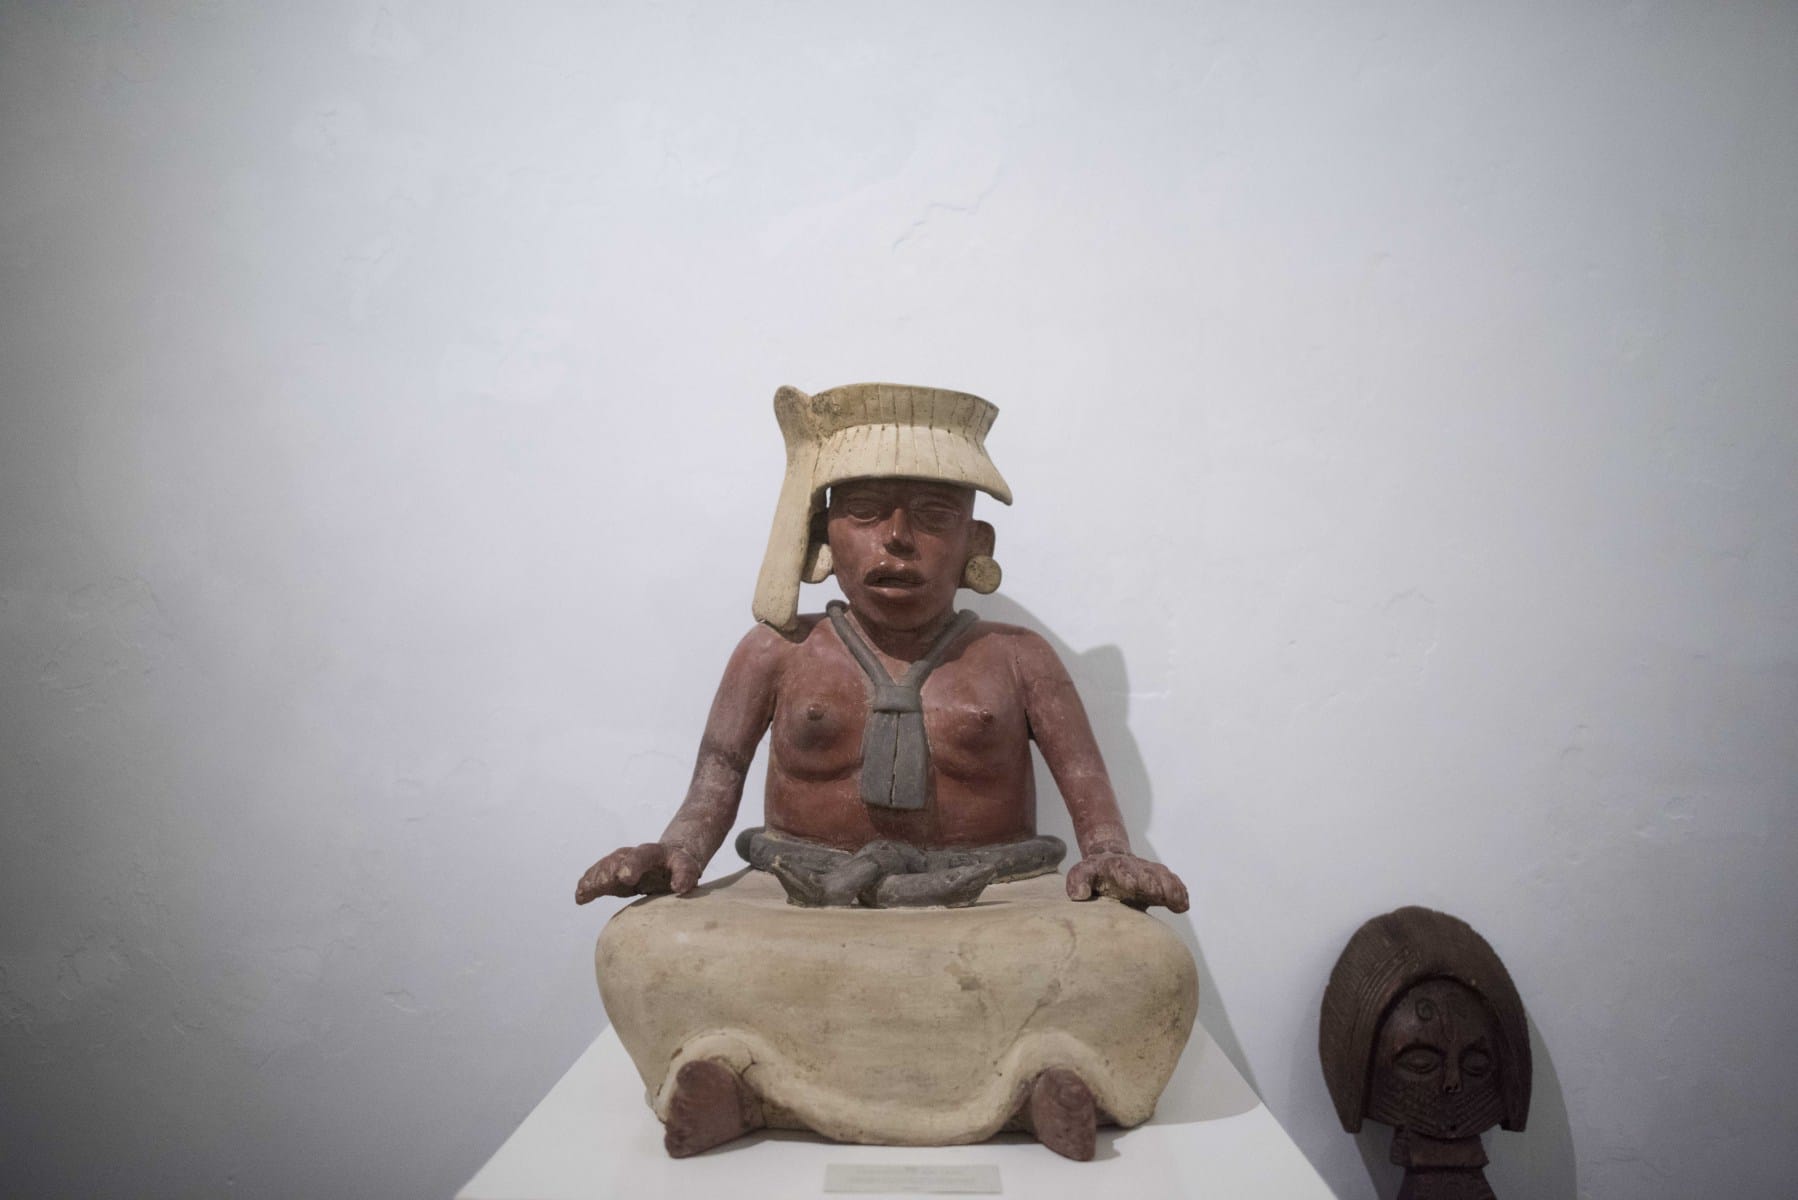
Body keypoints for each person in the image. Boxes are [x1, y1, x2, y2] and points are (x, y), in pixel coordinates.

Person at [576, 384, 1194, 1160]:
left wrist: (1108, 856)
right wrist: (676, 852)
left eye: (933, 517)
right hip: (801, 894)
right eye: (866, 513)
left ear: (977, 543)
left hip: (992, 898)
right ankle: (735, 1074)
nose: (898, 539)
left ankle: (1047, 1073)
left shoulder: (1017, 659)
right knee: (642, 945)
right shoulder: (775, 652)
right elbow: (716, 776)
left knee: (1145, 962)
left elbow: (1086, 786)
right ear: (823, 535)